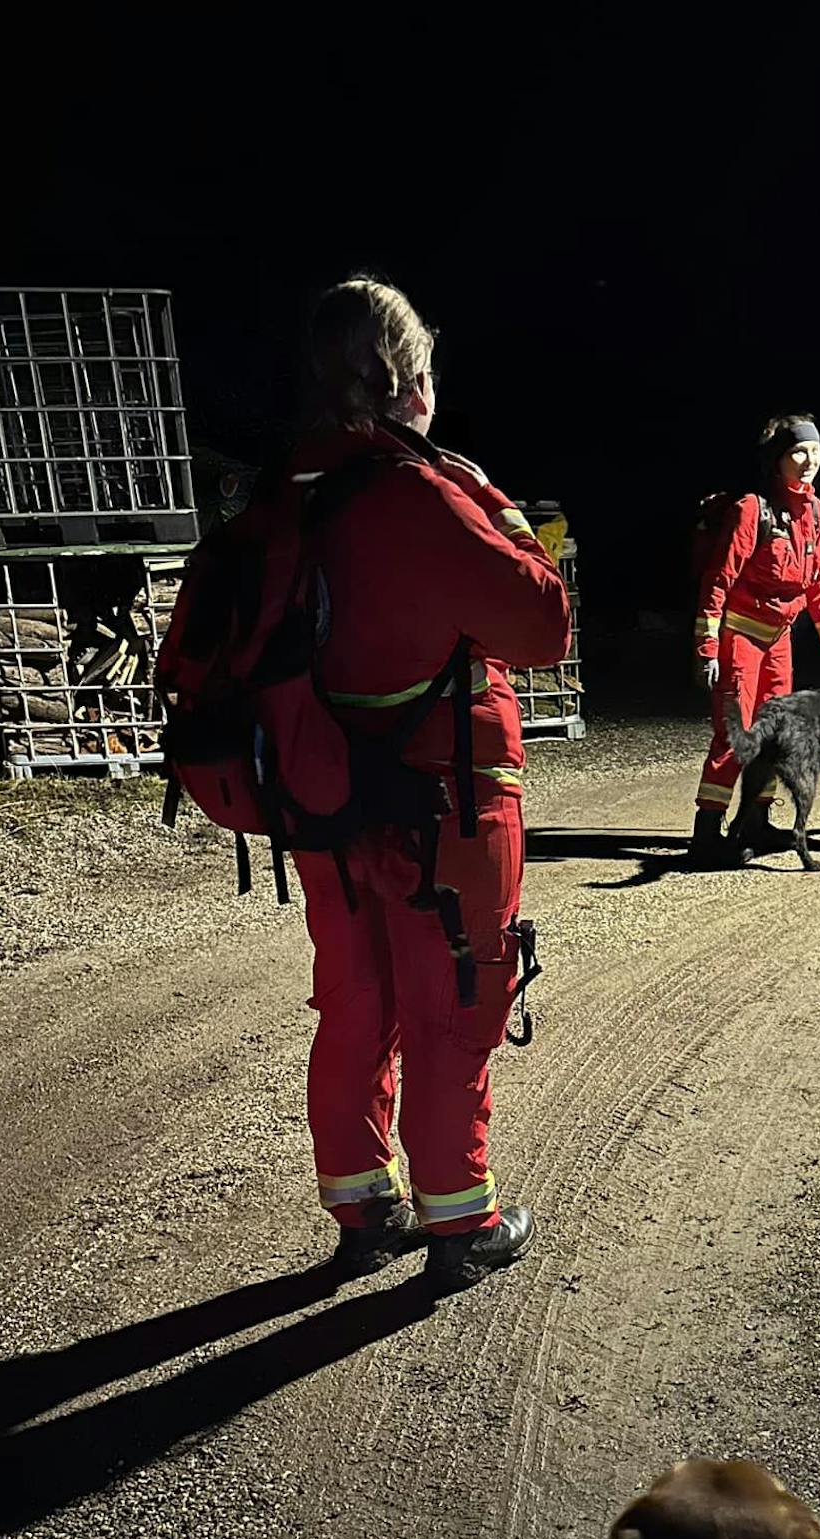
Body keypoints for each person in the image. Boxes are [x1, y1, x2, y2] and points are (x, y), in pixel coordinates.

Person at [290, 278, 572, 1288]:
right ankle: (461, 1226)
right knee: (454, 1000)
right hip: (441, 799)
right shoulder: (420, 493)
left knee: (356, 1001)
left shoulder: (287, 491)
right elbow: (542, 625)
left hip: (320, 802)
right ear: (406, 376)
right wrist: (491, 500)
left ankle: (362, 1211)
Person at [688, 414, 820, 864]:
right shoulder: (751, 510)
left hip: (778, 643)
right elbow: (717, 583)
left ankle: (756, 823)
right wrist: (708, 648)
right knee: (734, 735)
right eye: (797, 452)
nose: (809, 461)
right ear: (777, 459)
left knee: (776, 736)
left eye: (815, 451)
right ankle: (706, 832)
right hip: (740, 638)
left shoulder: (815, 513)